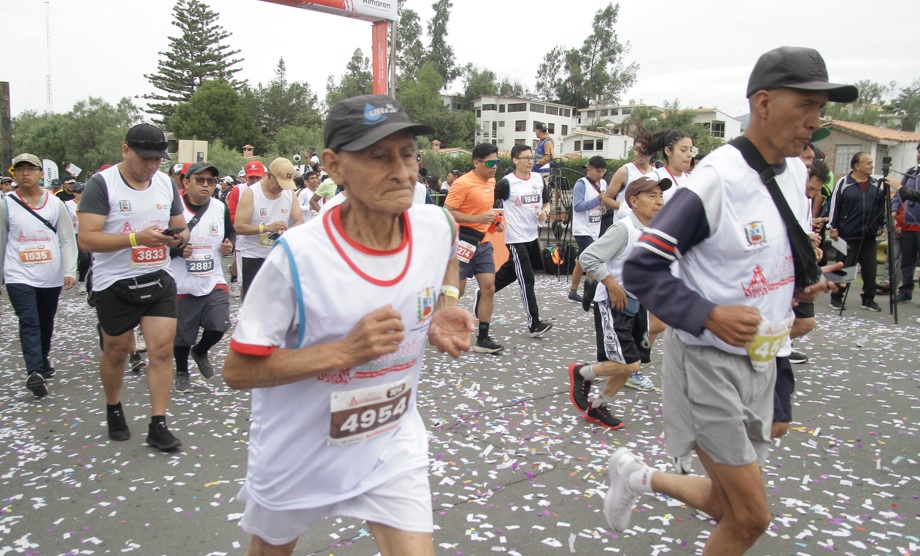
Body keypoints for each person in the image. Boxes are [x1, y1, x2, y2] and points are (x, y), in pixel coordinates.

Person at [611, 46, 852, 554]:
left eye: (820, 108)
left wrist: (797, 298)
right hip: (706, 363)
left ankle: (637, 477)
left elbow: (767, 265)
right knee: (750, 517)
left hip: (761, 360)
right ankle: (637, 477)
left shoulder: (790, 171)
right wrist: (709, 315)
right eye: (805, 105)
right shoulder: (715, 179)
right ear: (763, 103)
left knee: (726, 504)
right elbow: (641, 266)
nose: (815, 121)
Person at [222, 93, 475, 556]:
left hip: (390, 441)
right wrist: (344, 351)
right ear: (333, 166)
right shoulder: (297, 257)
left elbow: (448, 244)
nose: (401, 170)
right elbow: (237, 371)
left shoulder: (434, 223)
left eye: (407, 154)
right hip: (299, 450)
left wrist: (445, 303)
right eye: (379, 156)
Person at [77, 123, 190, 450]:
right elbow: (87, 238)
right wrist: (134, 239)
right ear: (126, 149)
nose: (152, 166)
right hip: (115, 282)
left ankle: (158, 423)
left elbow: (181, 228)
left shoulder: (166, 184)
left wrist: (176, 238)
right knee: (115, 351)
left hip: (157, 276)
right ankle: (114, 407)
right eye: (145, 159)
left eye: (158, 160)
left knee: (162, 350)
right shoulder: (102, 184)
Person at [569, 176, 670, 430]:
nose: (659, 201)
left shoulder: (660, 230)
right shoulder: (624, 229)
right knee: (629, 363)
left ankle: (598, 407)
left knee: (629, 365)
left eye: (660, 195)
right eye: (652, 196)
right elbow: (587, 257)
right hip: (615, 304)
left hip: (639, 304)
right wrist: (611, 284)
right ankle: (582, 373)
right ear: (633, 201)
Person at [1, 153, 78, 398]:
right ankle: (33, 371)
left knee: (45, 320)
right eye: (19, 169)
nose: (25, 173)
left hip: (50, 274)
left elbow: (67, 238)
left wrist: (70, 270)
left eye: (30, 169)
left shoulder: (55, 204)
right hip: (18, 274)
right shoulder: (6, 204)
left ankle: (42, 359)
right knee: (29, 321)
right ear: (14, 173)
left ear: (40, 173)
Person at [168, 162, 235, 392]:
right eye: (200, 180)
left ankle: (200, 351)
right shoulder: (173, 209)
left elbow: (231, 232)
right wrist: (176, 251)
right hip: (182, 283)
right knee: (183, 336)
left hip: (213, 278)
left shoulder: (219, 207)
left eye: (211, 181)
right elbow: (158, 244)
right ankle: (182, 371)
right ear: (185, 182)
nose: (206, 185)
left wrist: (229, 245)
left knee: (219, 325)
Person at [445, 143, 505, 354]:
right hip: (462, 241)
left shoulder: (491, 182)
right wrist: (476, 218)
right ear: (476, 162)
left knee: (489, 287)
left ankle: (483, 338)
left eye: (497, 162)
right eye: (490, 163)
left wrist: (495, 222)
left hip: (483, 242)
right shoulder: (462, 184)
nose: (495, 167)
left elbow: (486, 210)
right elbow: (448, 212)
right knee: (457, 290)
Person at [492, 144, 554, 338]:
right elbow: (487, 202)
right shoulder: (506, 183)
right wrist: (498, 221)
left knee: (512, 271)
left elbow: (546, 203)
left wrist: (544, 213)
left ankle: (486, 290)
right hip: (515, 237)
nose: (529, 161)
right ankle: (534, 323)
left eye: (531, 158)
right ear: (515, 160)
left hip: (532, 235)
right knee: (527, 278)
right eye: (525, 158)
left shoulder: (537, 179)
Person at [234, 157, 304, 300]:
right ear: (269, 176)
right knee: (253, 302)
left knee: (279, 302)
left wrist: (288, 232)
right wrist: (266, 228)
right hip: (254, 257)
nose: (281, 189)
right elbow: (239, 227)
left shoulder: (289, 193)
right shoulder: (251, 193)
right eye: (279, 184)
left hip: (279, 256)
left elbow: (299, 221)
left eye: (285, 185)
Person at [828, 151, 885, 311]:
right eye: (868, 163)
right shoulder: (843, 183)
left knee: (870, 269)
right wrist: (832, 227)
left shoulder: (875, 184)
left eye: (872, 163)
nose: (872, 166)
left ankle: (868, 299)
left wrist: (881, 224)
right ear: (856, 166)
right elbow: (835, 205)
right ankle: (836, 297)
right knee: (844, 267)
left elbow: (880, 207)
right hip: (847, 235)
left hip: (868, 236)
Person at [566, 156, 607, 305]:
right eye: (598, 171)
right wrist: (597, 200)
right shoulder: (581, 184)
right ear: (589, 169)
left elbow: (604, 202)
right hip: (582, 229)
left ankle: (573, 291)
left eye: (603, 171)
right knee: (593, 259)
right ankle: (590, 294)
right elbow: (577, 206)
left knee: (582, 260)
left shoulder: (604, 183)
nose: (600, 175)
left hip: (595, 228)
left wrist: (603, 204)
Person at [602, 138, 654, 227]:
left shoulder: (656, 173)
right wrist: (623, 207)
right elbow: (606, 199)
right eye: (637, 149)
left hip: (646, 230)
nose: (640, 153)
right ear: (633, 150)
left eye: (644, 149)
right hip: (625, 228)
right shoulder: (624, 171)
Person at [892, 143, 920, 303]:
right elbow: (899, 195)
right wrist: (895, 209)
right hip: (908, 225)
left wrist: (901, 188)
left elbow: (904, 190)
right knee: (907, 260)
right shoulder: (911, 172)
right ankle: (905, 290)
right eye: (918, 151)